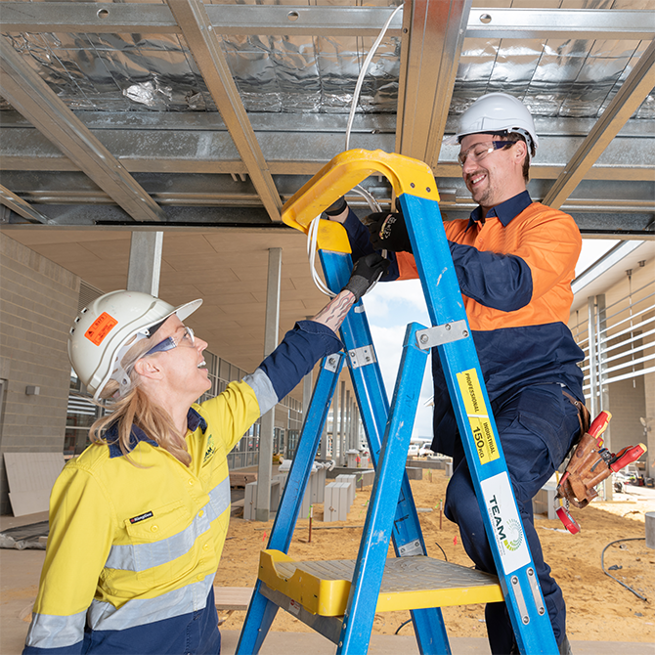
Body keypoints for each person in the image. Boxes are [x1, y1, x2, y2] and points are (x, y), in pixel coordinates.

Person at [23, 252, 388, 655]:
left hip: (202, 638)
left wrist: (352, 290)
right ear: (148, 368)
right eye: (183, 335)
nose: (202, 343)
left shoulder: (210, 428)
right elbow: (56, 627)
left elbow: (282, 368)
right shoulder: (95, 479)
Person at [325, 92, 586, 655]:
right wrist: (344, 217)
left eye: (477, 152)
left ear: (518, 149)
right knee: (480, 515)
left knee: (479, 502)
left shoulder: (551, 226)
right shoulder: (460, 234)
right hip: (475, 399)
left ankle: (543, 634)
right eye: (462, 156)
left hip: (538, 389)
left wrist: (424, 236)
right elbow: (379, 256)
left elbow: (510, 286)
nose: (466, 168)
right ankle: (524, 634)